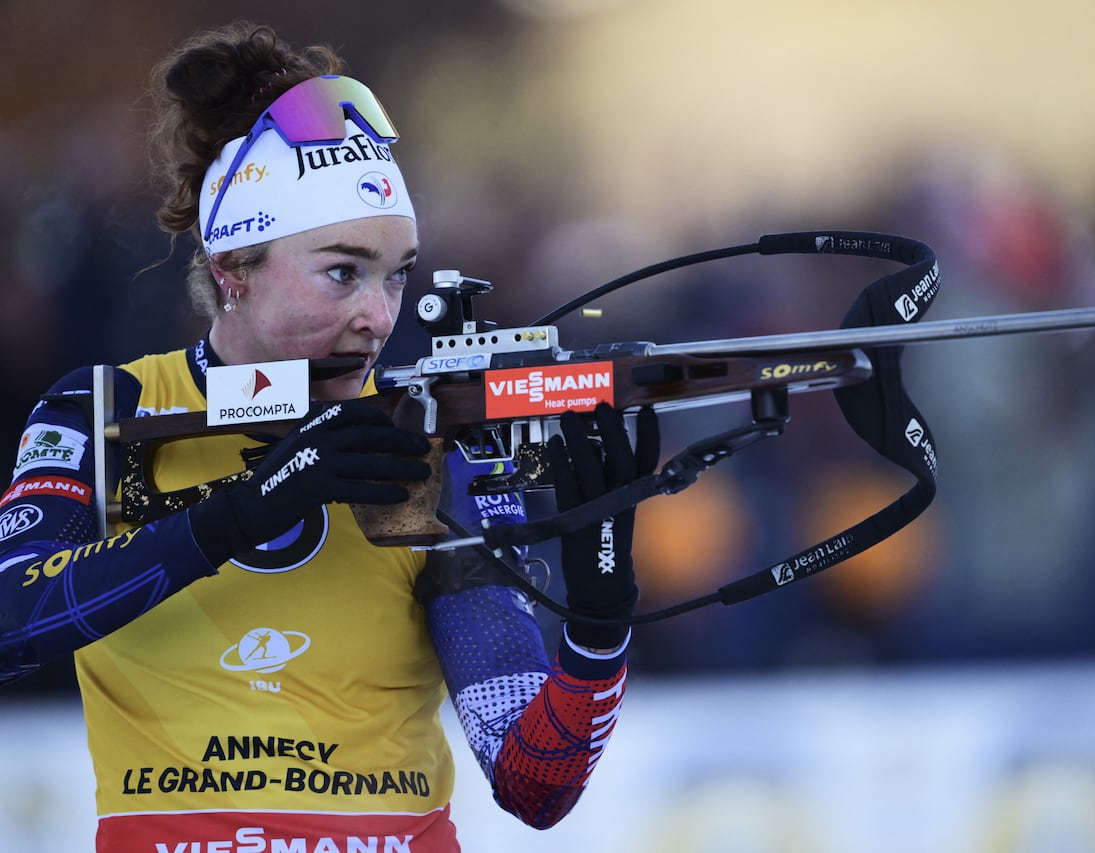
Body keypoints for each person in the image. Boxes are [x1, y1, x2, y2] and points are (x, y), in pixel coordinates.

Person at [0, 21, 657, 852]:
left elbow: (534, 782)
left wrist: (599, 619)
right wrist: (248, 508)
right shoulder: (113, 406)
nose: (378, 316)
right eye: (343, 272)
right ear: (233, 266)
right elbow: (12, 621)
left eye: (397, 275)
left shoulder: (420, 434)